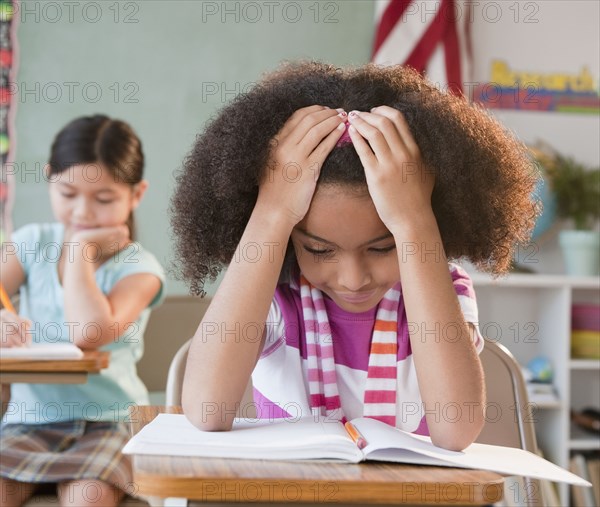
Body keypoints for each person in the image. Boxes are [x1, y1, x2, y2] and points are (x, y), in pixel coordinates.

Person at [172, 62, 539, 451]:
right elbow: (206, 410)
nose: (353, 278)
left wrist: (415, 220)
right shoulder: (273, 294)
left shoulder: (442, 290)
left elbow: (456, 429)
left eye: (382, 247)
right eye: (319, 249)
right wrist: (272, 212)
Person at [0, 115, 165, 507]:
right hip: (29, 420)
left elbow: (88, 331)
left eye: (104, 199)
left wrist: (80, 253)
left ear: (136, 194)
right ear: (48, 178)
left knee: (87, 498)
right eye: (68, 193)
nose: (83, 213)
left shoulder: (140, 268)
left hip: (108, 421)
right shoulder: (30, 243)